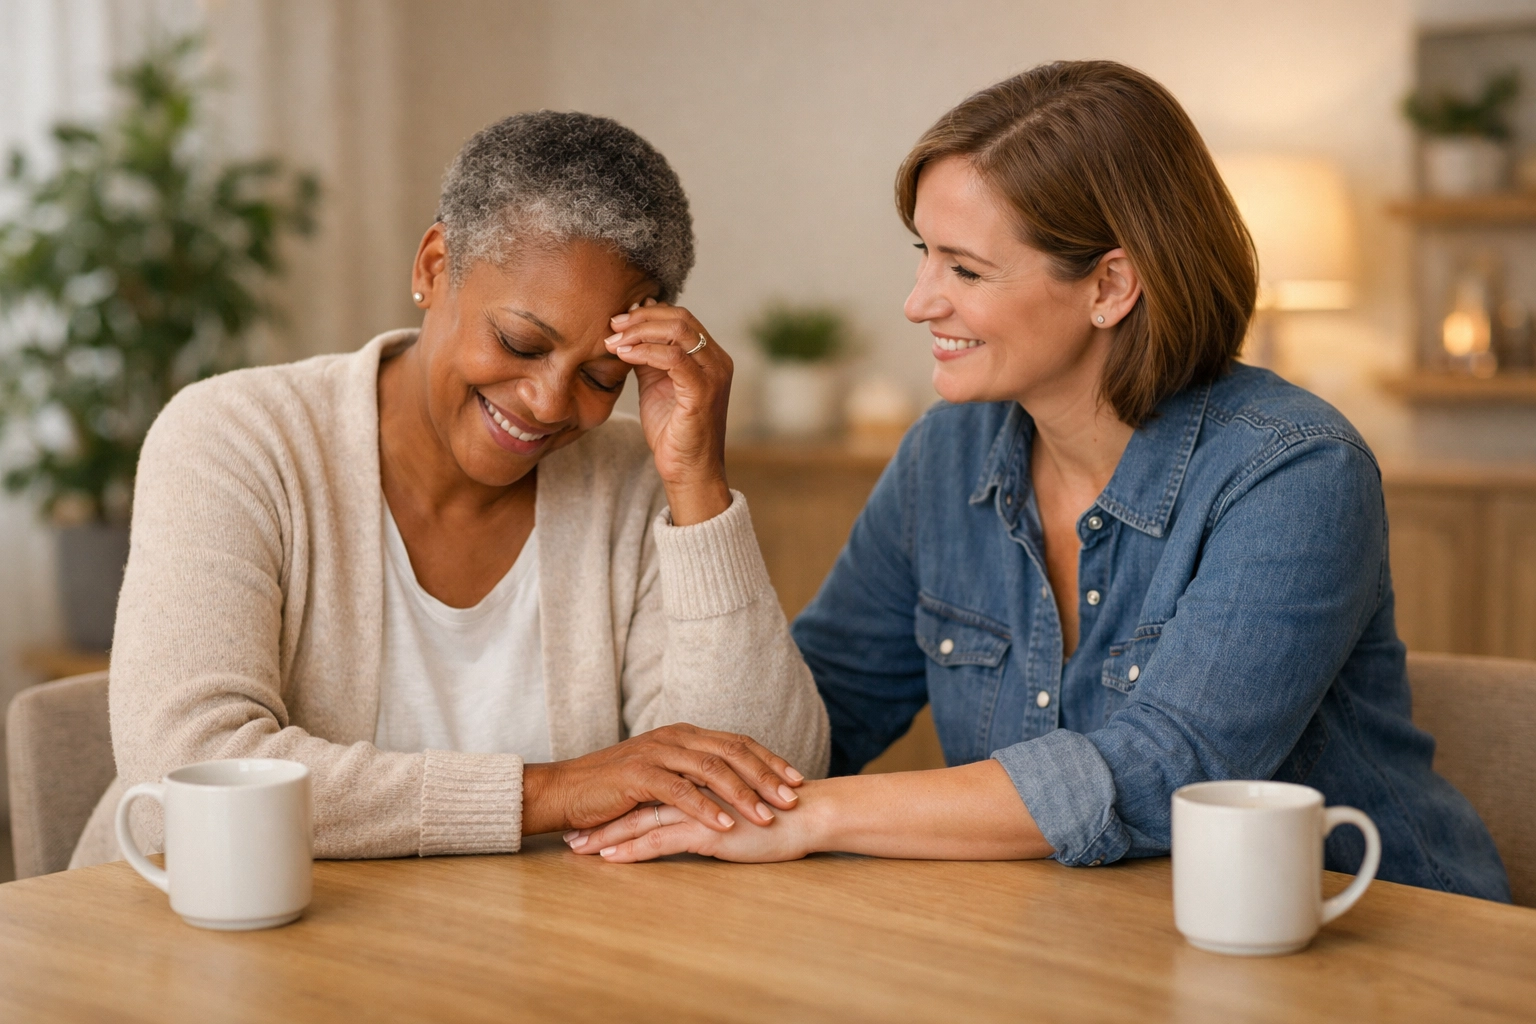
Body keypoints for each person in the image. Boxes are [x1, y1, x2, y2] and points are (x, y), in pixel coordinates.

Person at [563, 61, 1511, 901]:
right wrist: (694, 479)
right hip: (1086, 942)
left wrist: (814, 818)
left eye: (966, 269)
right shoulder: (945, 457)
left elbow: (1162, 773)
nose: (918, 301)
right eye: (923, 254)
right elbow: (799, 739)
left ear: (1110, 286)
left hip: (1379, 941)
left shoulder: (1294, 471)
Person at [72, 111, 828, 867]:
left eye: (602, 376)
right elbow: (190, 777)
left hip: (506, 954)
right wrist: (551, 792)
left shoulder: (632, 479)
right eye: (520, 343)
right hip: (194, 941)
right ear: (434, 268)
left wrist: (699, 488)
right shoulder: (237, 437)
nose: (549, 403)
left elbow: (759, 789)